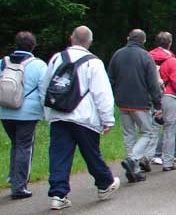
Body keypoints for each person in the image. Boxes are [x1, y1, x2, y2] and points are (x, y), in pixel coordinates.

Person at [40, 26, 120, 210]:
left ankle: (58, 194)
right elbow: (102, 93)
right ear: (89, 42)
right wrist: (107, 119)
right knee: (91, 153)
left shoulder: (57, 58)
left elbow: (46, 87)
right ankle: (104, 183)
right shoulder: (93, 62)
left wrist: (48, 112)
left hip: (59, 114)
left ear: (71, 38)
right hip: (84, 116)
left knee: (59, 155)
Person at [108, 29, 162, 183]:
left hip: (122, 101)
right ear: (143, 41)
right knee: (147, 132)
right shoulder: (145, 56)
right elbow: (153, 83)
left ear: (128, 38)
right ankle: (132, 160)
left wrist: (115, 95)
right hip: (140, 101)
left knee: (129, 135)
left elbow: (110, 78)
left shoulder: (117, 54)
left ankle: (134, 170)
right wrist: (158, 104)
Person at [0, 31, 48, 199]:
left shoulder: (3, 62)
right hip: (27, 113)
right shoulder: (39, 65)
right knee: (24, 146)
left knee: (16, 144)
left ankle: (14, 178)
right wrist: (46, 111)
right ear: (33, 46)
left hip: (5, 110)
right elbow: (44, 91)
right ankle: (19, 186)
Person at [148, 31, 176, 171]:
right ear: (170, 44)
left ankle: (147, 157)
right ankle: (168, 162)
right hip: (168, 95)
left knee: (152, 128)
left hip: (151, 96)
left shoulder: (148, 57)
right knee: (170, 128)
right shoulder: (172, 60)